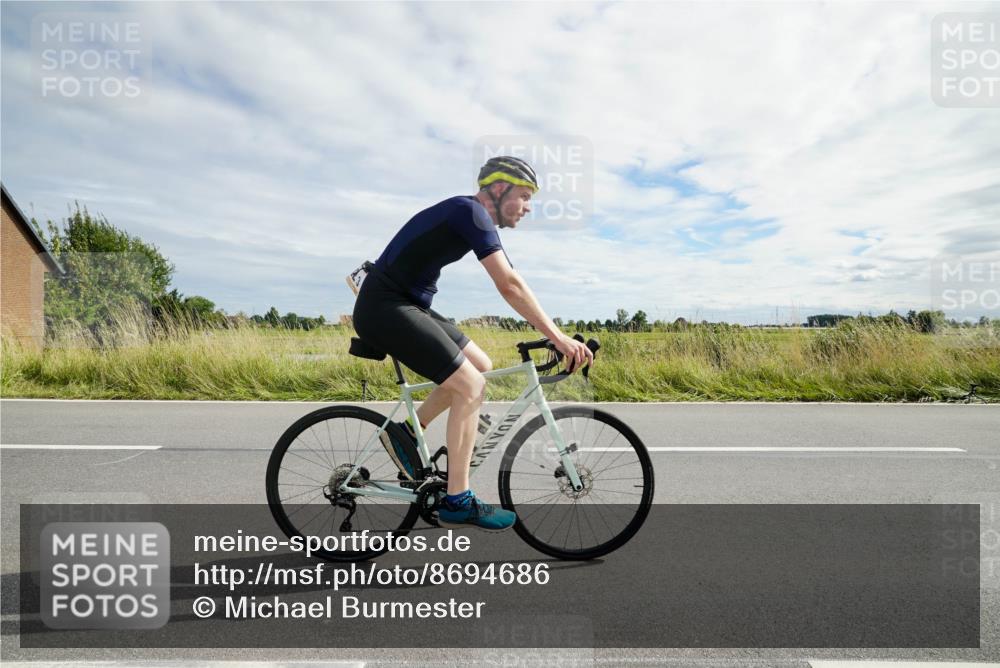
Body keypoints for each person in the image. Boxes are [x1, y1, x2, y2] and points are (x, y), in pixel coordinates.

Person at [352, 156, 594, 532]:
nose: (528, 208)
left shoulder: (471, 216)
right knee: (470, 385)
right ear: (498, 190)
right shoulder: (471, 213)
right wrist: (557, 338)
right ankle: (458, 499)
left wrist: (555, 332)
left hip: (404, 304)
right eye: (525, 196)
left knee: (479, 365)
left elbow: (514, 278)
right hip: (384, 307)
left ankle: (406, 433)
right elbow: (508, 285)